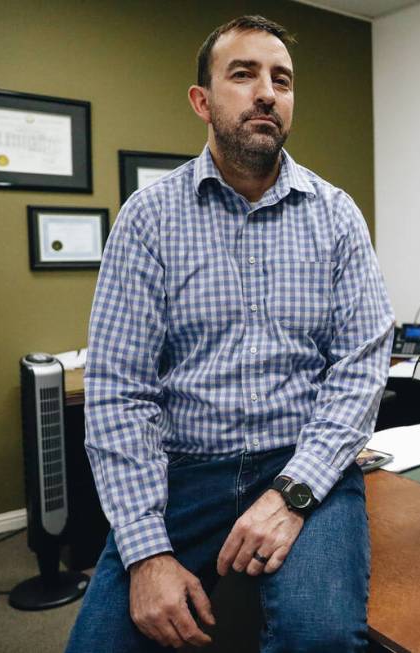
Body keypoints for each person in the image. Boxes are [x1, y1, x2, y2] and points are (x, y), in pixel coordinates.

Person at [65, 15, 393, 652]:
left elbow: (358, 370)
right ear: (203, 100)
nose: (266, 91)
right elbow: (118, 392)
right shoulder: (148, 219)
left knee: (320, 637)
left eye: (282, 79)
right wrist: (145, 553)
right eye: (243, 75)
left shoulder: (337, 216)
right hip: (185, 472)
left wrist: (293, 493)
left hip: (305, 466)